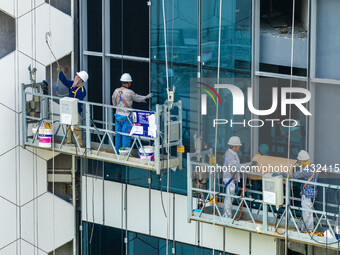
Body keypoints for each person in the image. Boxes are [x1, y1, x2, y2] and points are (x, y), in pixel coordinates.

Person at [272, 150, 317, 232]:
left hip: (307, 195)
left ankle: (309, 231)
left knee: (307, 214)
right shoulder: (312, 166)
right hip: (312, 194)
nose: (299, 163)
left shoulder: (306, 170)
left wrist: (281, 172)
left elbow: (293, 176)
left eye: (299, 161)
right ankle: (304, 229)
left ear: (302, 161)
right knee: (307, 213)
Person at [112, 73, 152, 153]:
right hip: (126, 116)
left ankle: (117, 152)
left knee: (118, 134)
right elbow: (137, 98)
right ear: (128, 82)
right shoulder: (129, 92)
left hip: (117, 116)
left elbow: (114, 103)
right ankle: (125, 153)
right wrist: (146, 97)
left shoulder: (116, 91)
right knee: (126, 135)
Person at [223, 136, 257, 218]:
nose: (239, 147)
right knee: (229, 198)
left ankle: (227, 214)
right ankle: (227, 216)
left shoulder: (233, 154)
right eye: (238, 146)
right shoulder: (229, 155)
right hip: (229, 179)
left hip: (232, 178)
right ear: (234, 146)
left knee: (230, 197)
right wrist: (248, 164)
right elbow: (236, 167)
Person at [58, 66, 88, 146]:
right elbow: (64, 81)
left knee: (76, 127)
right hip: (69, 110)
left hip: (75, 111)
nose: (75, 77)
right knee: (68, 125)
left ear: (80, 79)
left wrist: (73, 87)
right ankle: (69, 141)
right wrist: (60, 72)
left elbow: (76, 100)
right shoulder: (72, 84)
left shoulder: (82, 90)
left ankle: (79, 143)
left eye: (77, 76)